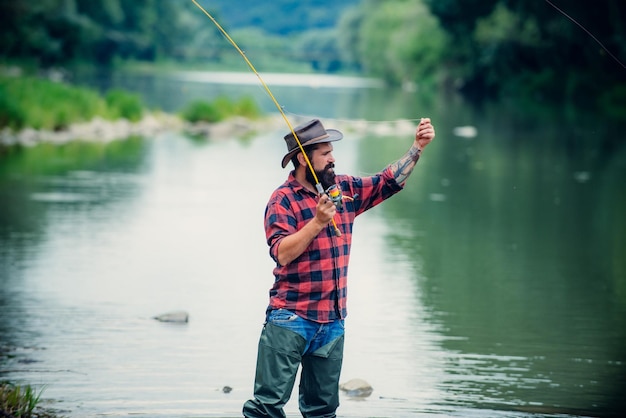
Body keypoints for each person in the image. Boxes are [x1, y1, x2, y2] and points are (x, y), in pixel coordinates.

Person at [243, 117, 435, 418]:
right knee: (266, 408)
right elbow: (281, 253)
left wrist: (417, 147)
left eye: (332, 151)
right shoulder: (282, 200)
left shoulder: (344, 190)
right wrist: (318, 222)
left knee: (322, 412)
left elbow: (388, 182)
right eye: (325, 153)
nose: (333, 158)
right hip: (289, 318)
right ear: (304, 160)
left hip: (332, 322)